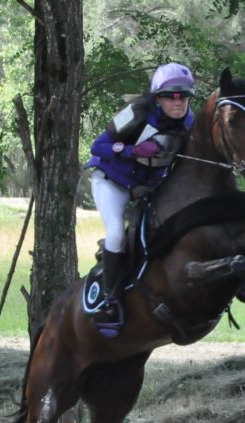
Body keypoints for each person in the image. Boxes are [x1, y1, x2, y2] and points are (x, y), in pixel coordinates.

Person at [84, 62, 196, 337]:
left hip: (148, 188)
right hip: (112, 182)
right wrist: (132, 150)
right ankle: (110, 302)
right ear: (158, 98)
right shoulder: (137, 111)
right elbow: (97, 146)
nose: (178, 102)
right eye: (171, 96)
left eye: (184, 96)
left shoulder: (189, 122)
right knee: (115, 235)